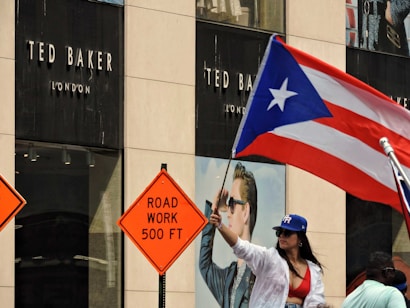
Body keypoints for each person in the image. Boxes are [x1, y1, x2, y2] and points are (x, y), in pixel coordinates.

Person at [209, 209, 325, 307]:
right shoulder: (270, 258)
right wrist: (220, 225)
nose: (282, 236)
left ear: (300, 239)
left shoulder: (313, 271)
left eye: (287, 233)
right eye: (279, 232)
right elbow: (242, 247)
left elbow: (317, 303)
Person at [199, 162, 258, 307]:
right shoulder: (228, 278)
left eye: (232, 203)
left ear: (245, 212)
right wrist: (214, 210)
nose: (228, 213)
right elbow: (204, 266)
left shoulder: (261, 272)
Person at [342, 251, 406, 307]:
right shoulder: (391, 294)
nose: (394, 275)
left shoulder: (349, 299)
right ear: (387, 272)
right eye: (393, 271)